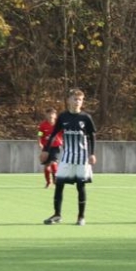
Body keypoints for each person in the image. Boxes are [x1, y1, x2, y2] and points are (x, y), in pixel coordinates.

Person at [40, 89, 96, 226]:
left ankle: (81, 217)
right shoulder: (63, 117)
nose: (77, 102)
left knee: (81, 186)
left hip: (82, 158)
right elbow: (54, 134)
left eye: (80, 100)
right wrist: (46, 150)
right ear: (69, 100)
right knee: (59, 184)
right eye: (75, 99)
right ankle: (57, 214)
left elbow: (92, 136)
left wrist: (92, 153)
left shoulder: (86, 117)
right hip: (67, 157)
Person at [37, 107, 61, 188]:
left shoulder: (59, 124)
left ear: (55, 115)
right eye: (49, 114)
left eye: (53, 114)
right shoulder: (43, 125)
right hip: (46, 147)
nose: (51, 115)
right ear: (46, 115)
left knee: (53, 163)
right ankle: (48, 182)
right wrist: (39, 142)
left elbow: (64, 133)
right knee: (46, 166)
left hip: (56, 146)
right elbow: (40, 134)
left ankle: (55, 180)